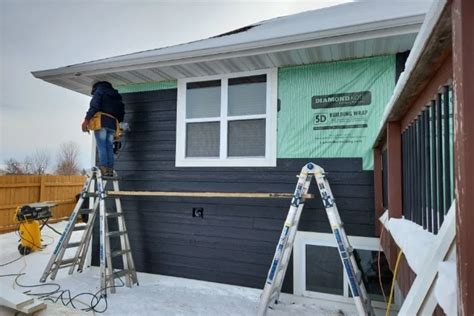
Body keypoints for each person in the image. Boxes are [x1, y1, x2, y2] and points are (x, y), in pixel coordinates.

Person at [81, 81, 125, 176]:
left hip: (101, 121)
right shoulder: (116, 95)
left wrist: (86, 120)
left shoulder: (99, 91)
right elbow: (122, 110)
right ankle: (110, 169)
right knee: (109, 146)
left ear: (94, 88)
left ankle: (104, 167)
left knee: (102, 146)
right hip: (113, 123)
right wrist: (119, 123)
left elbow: (94, 106)